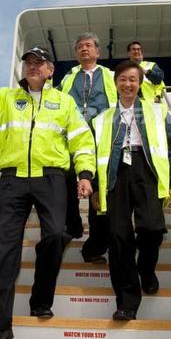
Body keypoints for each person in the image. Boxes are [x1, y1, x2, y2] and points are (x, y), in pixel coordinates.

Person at [0, 47, 95, 339]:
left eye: (39, 62)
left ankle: (41, 300)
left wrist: (85, 174)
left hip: (52, 178)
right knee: (5, 251)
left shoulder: (64, 102)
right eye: (28, 62)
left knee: (56, 235)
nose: (32, 66)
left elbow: (82, 140)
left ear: (50, 70)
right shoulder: (5, 99)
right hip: (13, 180)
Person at [90, 60, 171, 321]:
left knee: (152, 229)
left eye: (133, 79)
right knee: (118, 237)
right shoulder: (101, 119)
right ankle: (127, 302)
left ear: (140, 83)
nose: (127, 84)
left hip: (147, 171)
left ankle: (146, 268)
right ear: (115, 84)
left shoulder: (158, 111)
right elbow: (93, 154)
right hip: (115, 174)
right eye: (123, 79)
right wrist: (96, 188)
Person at [58, 33, 117, 263]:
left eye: (89, 45)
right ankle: (73, 226)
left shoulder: (111, 76)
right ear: (75, 53)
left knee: (99, 197)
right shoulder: (67, 78)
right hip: (70, 139)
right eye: (80, 46)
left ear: (97, 52)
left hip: (102, 140)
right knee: (63, 188)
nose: (84, 49)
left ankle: (94, 248)